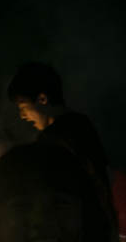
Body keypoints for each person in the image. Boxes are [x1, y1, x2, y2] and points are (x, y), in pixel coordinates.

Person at [7, 62, 112, 210]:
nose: (22, 116)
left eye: (23, 107)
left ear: (42, 99)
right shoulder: (82, 122)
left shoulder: (53, 137)